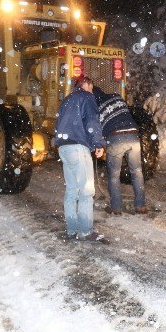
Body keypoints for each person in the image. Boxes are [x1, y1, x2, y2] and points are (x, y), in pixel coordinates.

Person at [54, 76, 105, 241]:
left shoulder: (66, 100)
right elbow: (92, 121)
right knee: (86, 191)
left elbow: (59, 125)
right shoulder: (86, 97)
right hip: (77, 148)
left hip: (64, 148)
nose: (92, 91)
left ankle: (71, 230)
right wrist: (98, 143)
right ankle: (85, 231)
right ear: (87, 85)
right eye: (92, 87)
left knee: (71, 191)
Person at [92, 86, 147, 215]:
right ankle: (141, 205)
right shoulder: (116, 97)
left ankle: (116, 207)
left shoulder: (96, 108)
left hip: (116, 137)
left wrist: (99, 144)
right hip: (133, 134)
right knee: (137, 172)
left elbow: (98, 129)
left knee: (114, 175)